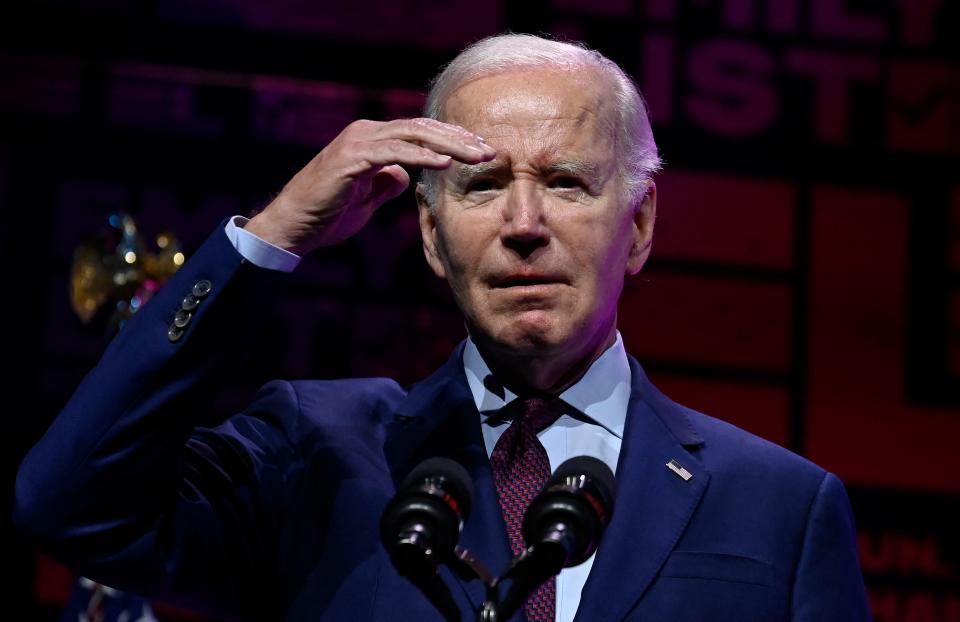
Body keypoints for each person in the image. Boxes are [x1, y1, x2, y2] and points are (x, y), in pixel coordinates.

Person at [14, 34, 871, 621]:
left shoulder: (781, 509)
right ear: (430, 233)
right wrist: (271, 237)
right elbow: (69, 504)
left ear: (639, 226)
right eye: (483, 185)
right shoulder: (313, 452)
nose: (524, 222)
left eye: (567, 182)